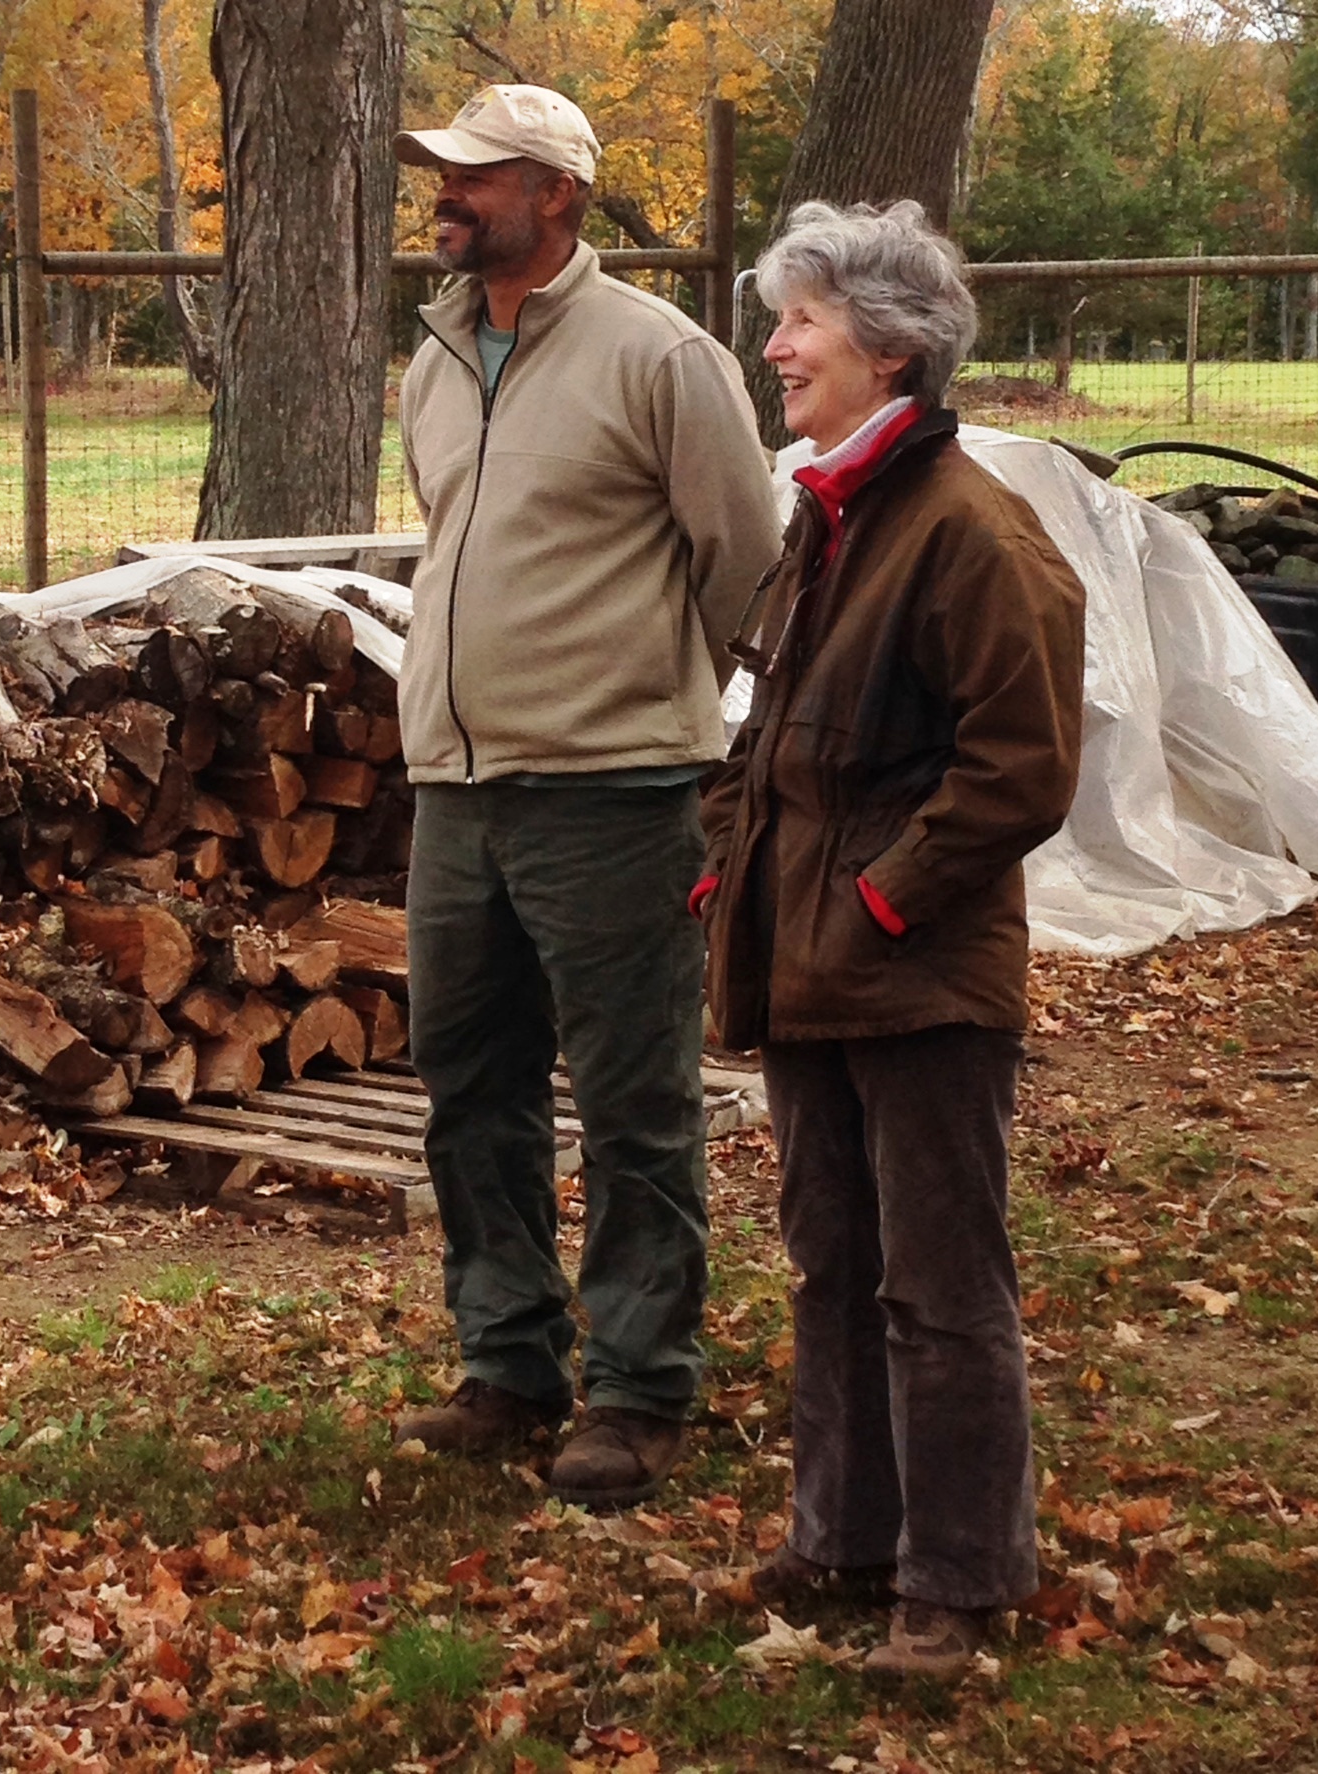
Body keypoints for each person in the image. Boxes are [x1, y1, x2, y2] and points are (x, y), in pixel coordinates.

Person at [695, 200, 1086, 1677]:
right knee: (828, 1259)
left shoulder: (975, 534)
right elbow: (765, 728)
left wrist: (875, 898)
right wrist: (729, 866)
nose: (775, 344)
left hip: (914, 980)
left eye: (800, 320)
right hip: (806, 967)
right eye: (780, 315)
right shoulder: (832, 514)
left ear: (891, 346)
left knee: (937, 1284)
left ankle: (960, 1580)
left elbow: (1020, 768)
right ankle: (842, 1541)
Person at [388, 84, 784, 1507]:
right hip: (454, 789)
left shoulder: (660, 358)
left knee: (632, 1103)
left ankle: (637, 1386)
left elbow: (744, 563)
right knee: (468, 1088)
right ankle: (508, 1361)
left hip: (613, 792)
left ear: (555, 193)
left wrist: (699, 744)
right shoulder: (434, 358)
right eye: (440, 173)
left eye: (472, 175)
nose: (444, 194)